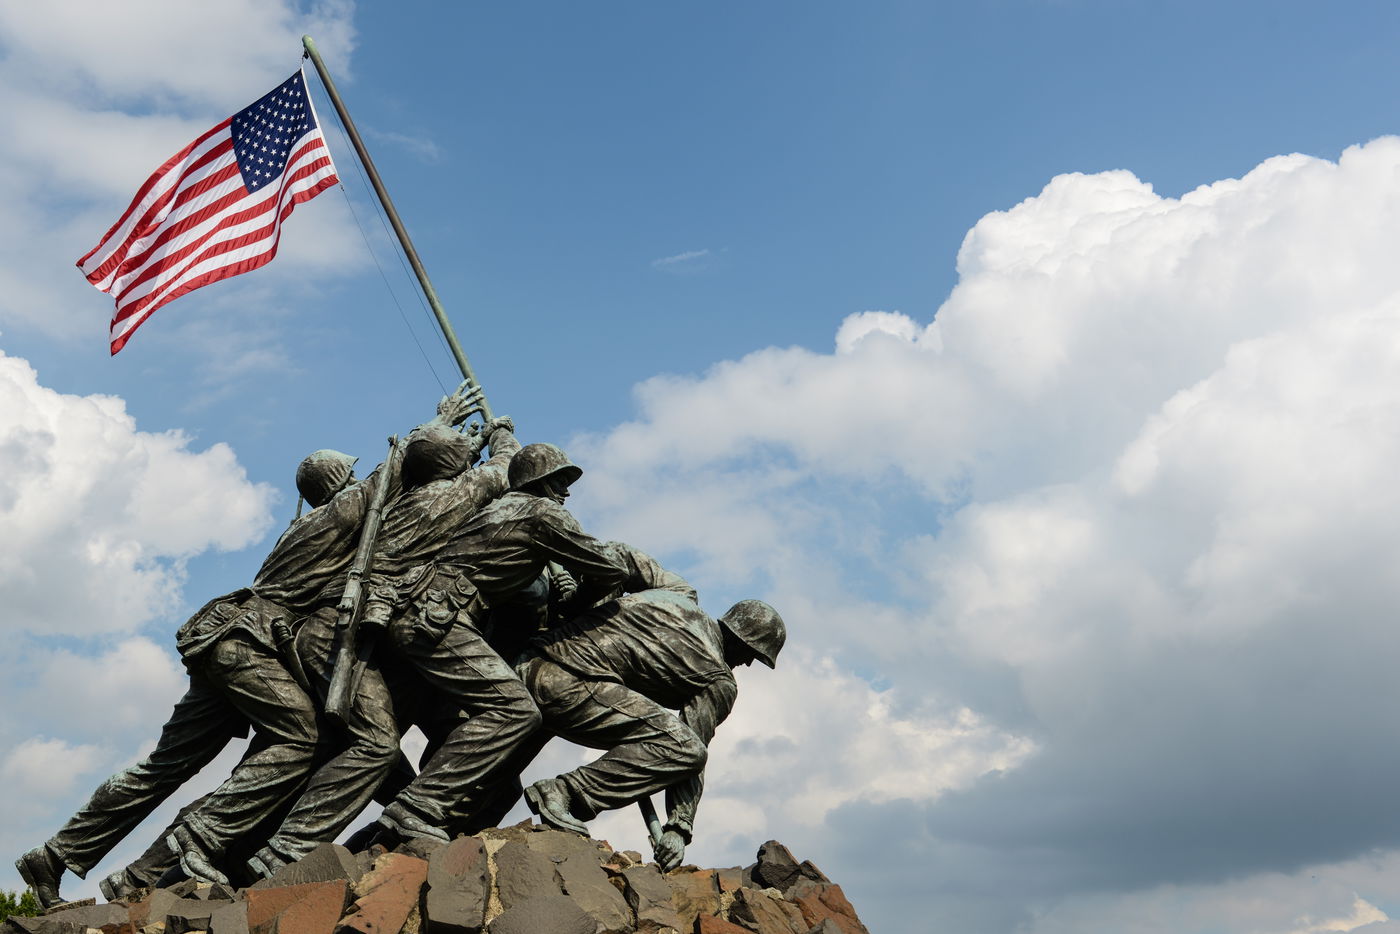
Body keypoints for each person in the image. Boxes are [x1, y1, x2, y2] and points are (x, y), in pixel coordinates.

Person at [14, 390, 480, 905]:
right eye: (347, 476)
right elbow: (395, 473)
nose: (354, 479)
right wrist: (437, 425)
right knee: (300, 738)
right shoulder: (342, 513)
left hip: (225, 642)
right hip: (246, 644)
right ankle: (202, 837)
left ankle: (56, 854)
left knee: (160, 768)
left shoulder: (303, 524)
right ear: (338, 483)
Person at [369, 442, 629, 842]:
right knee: (516, 711)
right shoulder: (541, 512)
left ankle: (401, 825)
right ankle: (415, 807)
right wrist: (577, 600)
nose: (567, 491)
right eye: (560, 480)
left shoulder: (499, 509)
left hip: (426, 613)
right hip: (440, 618)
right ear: (538, 481)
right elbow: (610, 567)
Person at [518, 543, 785, 871]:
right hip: (566, 687)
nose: (746, 664)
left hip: (525, 664)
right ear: (744, 644)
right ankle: (564, 793)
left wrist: (584, 596)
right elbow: (690, 752)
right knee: (684, 748)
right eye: (752, 657)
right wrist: (679, 827)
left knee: (487, 788)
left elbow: (616, 554)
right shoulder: (718, 679)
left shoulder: (677, 592)